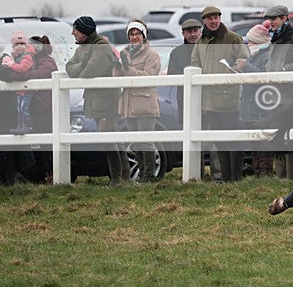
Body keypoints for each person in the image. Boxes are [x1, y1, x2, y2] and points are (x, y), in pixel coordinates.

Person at [191, 6, 250, 182]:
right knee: (219, 141)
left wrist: (237, 67)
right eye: (210, 19)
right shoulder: (200, 42)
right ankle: (225, 178)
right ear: (204, 21)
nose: (213, 21)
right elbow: (195, 63)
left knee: (233, 140)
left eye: (216, 18)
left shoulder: (232, 38)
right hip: (209, 99)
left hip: (228, 98)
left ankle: (236, 178)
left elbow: (244, 59)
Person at [65, 16, 126, 186]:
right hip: (95, 100)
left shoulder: (101, 47)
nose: (73, 33)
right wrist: (82, 64)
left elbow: (88, 73)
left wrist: (82, 65)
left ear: (84, 31)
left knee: (108, 139)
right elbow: (69, 68)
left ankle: (117, 179)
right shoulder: (84, 48)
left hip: (106, 100)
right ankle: (123, 178)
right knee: (111, 138)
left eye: (75, 30)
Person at [263, 4, 293, 180]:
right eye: (269, 19)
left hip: (291, 95)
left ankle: (291, 177)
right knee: (279, 134)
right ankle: (280, 176)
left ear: (284, 19)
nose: (271, 22)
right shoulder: (275, 39)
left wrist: (284, 70)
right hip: (276, 94)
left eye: (273, 19)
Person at [2, 35, 58, 181]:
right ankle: (41, 175)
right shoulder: (32, 58)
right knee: (38, 145)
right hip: (37, 108)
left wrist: (12, 71)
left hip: (44, 108)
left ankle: (51, 174)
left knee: (46, 145)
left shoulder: (47, 62)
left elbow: (31, 74)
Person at [113, 20, 161, 183]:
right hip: (128, 104)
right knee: (135, 142)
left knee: (145, 141)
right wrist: (117, 67)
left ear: (144, 35)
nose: (134, 37)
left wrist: (129, 69)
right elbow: (117, 79)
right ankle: (142, 174)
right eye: (131, 34)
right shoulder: (124, 52)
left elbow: (148, 77)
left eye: (137, 33)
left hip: (145, 104)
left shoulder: (152, 55)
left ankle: (149, 175)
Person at [236, 21, 274, 176]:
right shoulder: (254, 56)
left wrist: (245, 66)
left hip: (261, 107)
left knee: (264, 144)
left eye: (251, 41)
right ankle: (258, 172)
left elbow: (264, 77)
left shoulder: (267, 56)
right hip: (249, 107)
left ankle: (265, 173)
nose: (249, 44)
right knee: (255, 144)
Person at [167, 18, 203, 123]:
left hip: (205, 98)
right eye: (189, 32)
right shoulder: (177, 52)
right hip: (185, 98)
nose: (193, 35)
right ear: (183, 33)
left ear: (200, 32)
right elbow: (172, 75)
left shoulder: (207, 49)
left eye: (195, 31)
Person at [1, 31, 35, 135]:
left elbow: (22, 68)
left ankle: (25, 126)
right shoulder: (13, 57)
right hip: (18, 91)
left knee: (24, 108)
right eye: (16, 44)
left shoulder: (27, 57)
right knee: (19, 109)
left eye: (22, 44)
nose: (19, 47)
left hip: (25, 90)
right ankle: (20, 126)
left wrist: (10, 65)